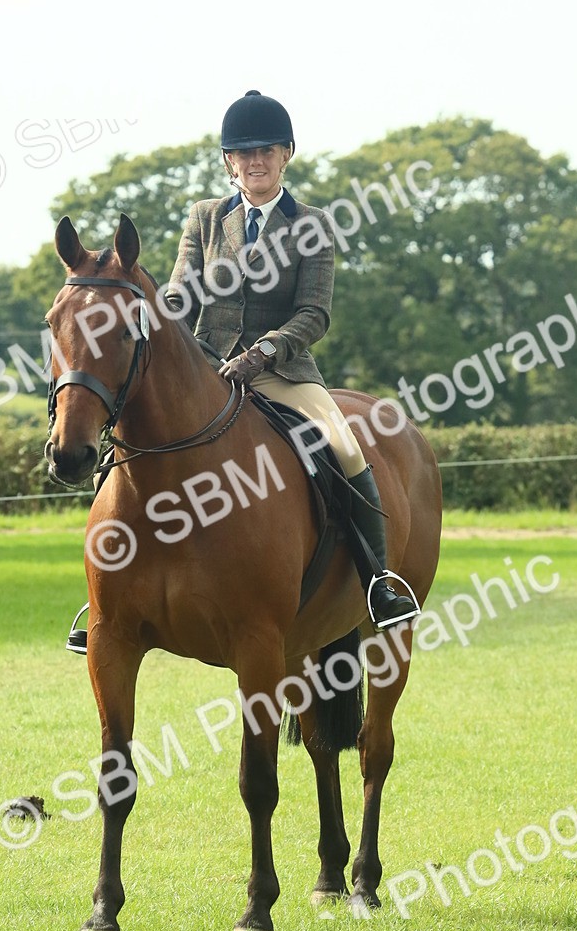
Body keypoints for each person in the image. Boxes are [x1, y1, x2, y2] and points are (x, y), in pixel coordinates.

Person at [163, 89, 420, 630]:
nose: (256, 161)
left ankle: (378, 582)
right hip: (207, 368)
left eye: (268, 150)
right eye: (245, 152)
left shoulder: (313, 224)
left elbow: (315, 313)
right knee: (135, 436)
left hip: (282, 371)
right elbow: (181, 297)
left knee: (346, 446)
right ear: (229, 162)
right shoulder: (205, 218)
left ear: (286, 155)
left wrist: (264, 351)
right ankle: (111, 593)